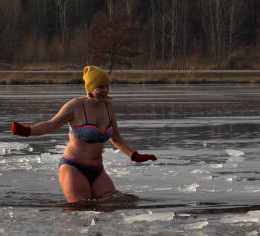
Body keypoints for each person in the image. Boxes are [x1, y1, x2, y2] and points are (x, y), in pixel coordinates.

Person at [11, 65, 157, 202]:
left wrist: (134, 155)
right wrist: (27, 131)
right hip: (74, 167)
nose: (105, 90)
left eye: (107, 86)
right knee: (81, 211)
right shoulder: (75, 106)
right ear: (90, 88)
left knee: (112, 205)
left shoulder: (108, 106)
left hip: (98, 171)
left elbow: (116, 137)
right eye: (100, 87)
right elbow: (51, 125)